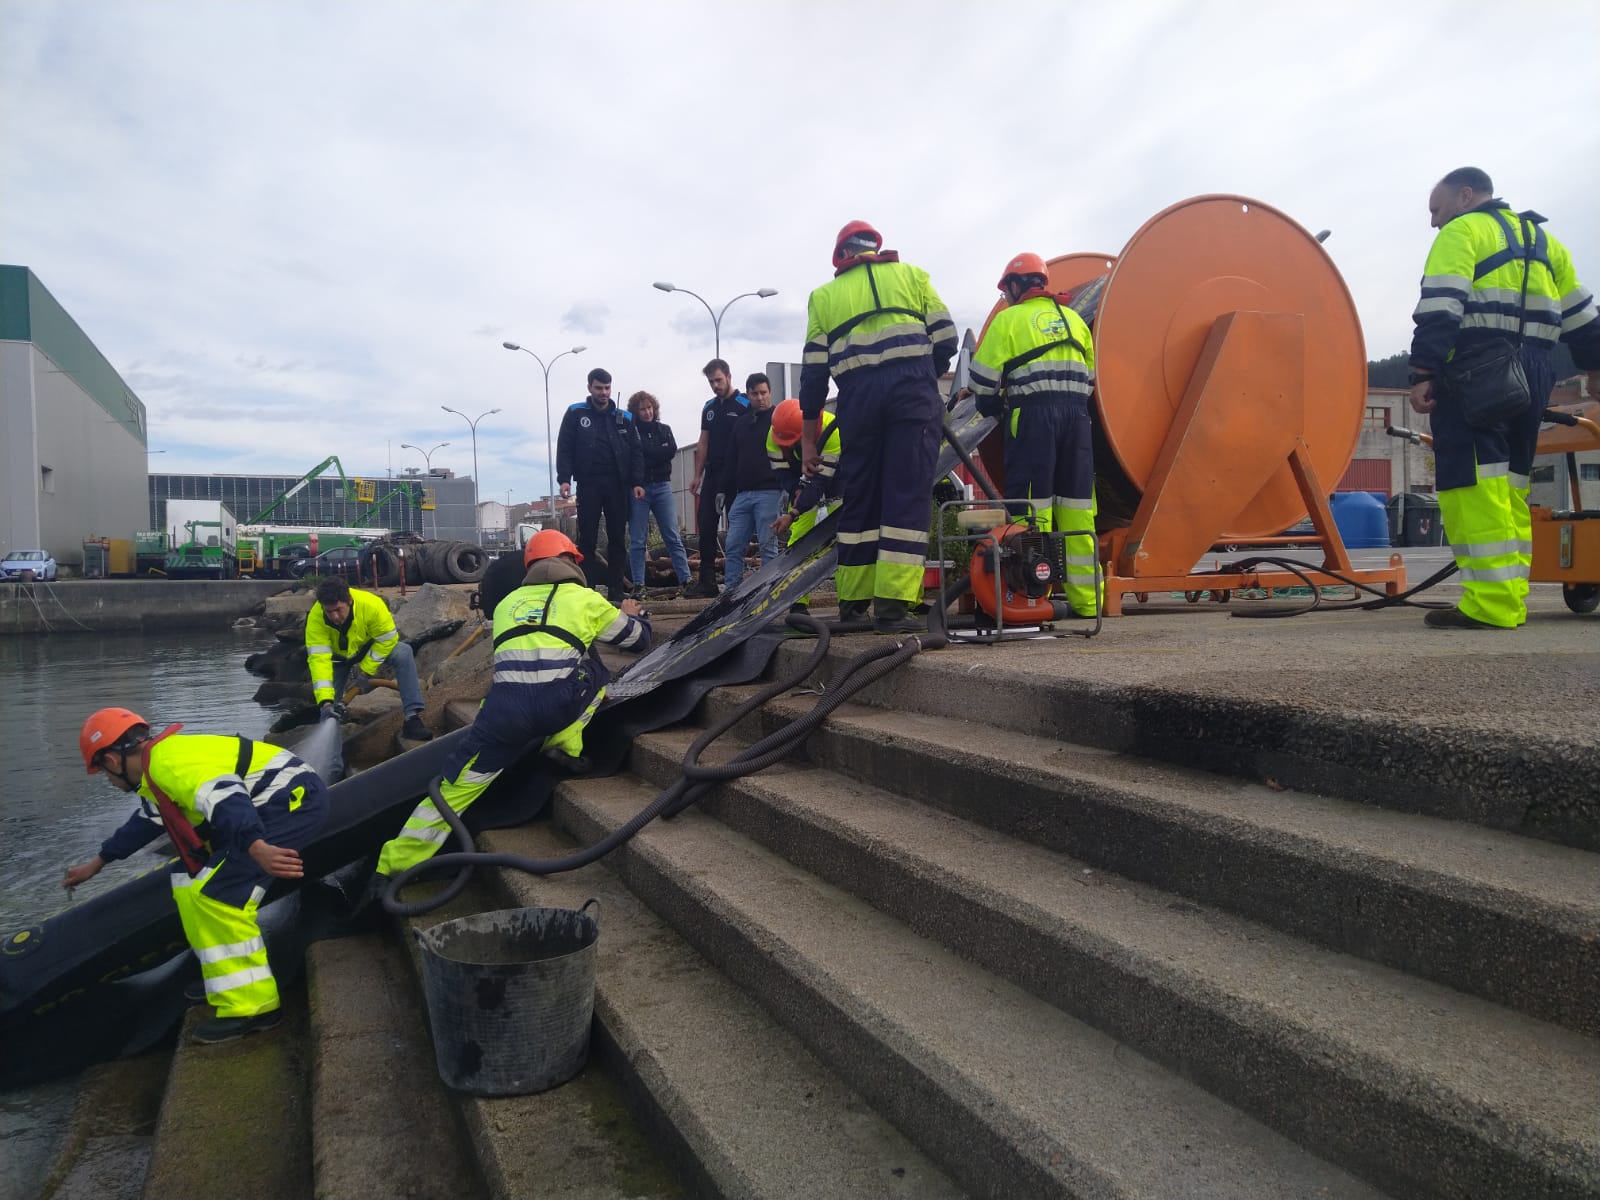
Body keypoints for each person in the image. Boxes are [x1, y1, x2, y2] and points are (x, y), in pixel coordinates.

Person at [373, 530, 650, 880]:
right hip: (558, 705)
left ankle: (394, 865)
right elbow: (638, 641)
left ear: (530, 565)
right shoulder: (585, 600)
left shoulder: (508, 604)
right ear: (571, 561)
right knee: (595, 671)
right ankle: (565, 745)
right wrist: (632, 614)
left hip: (503, 713)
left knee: (453, 788)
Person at [1407, 167, 1600, 630]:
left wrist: (1423, 371)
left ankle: (1491, 604)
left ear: (1465, 196)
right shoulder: (1544, 241)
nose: (1434, 222)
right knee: (1512, 485)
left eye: (1437, 209)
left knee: (1473, 484)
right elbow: (1582, 315)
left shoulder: (1464, 231)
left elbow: (1441, 305)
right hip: (1534, 371)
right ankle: (1509, 597)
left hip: (1477, 369)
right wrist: (1594, 369)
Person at [65, 708, 329, 1043]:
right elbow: (148, 821)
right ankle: (225, 980)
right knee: (186, 882)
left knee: (219, 895)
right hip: (262, 808)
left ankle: (254, 1008)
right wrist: (99, 862)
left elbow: (227, 794)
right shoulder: (155, 769)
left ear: (113, 761)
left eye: (103, 771)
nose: (109, 780)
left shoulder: (168, 764)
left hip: (289, 802)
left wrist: (256, 846)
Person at [800, 220, 957, 632]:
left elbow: (814, 376)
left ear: (842, 256)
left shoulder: (824, 297)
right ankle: (893, 608)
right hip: (912, 395)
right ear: (875, 248)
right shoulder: (913, 276)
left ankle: (853, 606)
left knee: (862, 497)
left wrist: (809, 440)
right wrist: (928, 374)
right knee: (905, 497)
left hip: (858, 401)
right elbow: (946, 338)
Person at [970, 252, 1100, 617]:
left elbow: (982, 381)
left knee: (1029, 509)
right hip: (1077, 420)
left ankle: (1031, 595)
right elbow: (1090, 381)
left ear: (1014, 287)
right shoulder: (1074, 320)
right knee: (1077, 511)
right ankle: (1089, 603)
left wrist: (992, 405)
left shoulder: (1008, 320)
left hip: (1032, 418)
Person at [306, 576, 432, 781]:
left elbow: (388, 639)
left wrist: (366, 672)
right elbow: (319, 660)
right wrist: (326, 701)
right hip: (337, 660)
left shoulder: (372, 605)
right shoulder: (316, 617)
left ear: (349, 601)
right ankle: (332, 769)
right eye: (329, 612)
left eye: (338, 609)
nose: (334, 616)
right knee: (328, 713)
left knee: (403, 652)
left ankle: (412, 720)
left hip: (366, 650)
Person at [557, 367, 645, 598]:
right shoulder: (576, 413)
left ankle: (616, 589)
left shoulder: (624, 417)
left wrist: (637, 481)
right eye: (599, 388)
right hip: (588, 483)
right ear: (590, 388)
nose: (604, 392)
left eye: (607, 388)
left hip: (618, 485)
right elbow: (564, 447)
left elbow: (636, 451)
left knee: (617, 538)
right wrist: (564, 478)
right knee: (587, 539)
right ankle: (586, 588)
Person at [769, 396, 843, 614]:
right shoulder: (775, 434)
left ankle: (850, 603)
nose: (789, 446)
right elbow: (781, 472)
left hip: (837, 478)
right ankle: (796, 602)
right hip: (799, 479)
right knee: (800, 537)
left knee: (843, 536)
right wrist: (796, 490)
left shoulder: (832, 431)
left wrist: (793, 512)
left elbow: (821, 482)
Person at [684, 359, 749, 598]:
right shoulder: (709, 407)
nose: (715, 385)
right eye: (711, 381)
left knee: (737, 529)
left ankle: (736, 582)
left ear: (729, 377)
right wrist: (697, 475)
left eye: (718, 380)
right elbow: (704, 442)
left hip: (736, 475)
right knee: (707, 525)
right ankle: (707, 581)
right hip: (712, 474)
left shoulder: (744, 404)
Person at [625, 390, 692, 599]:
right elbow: (636, 457)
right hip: (639, 488)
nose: (647, 412)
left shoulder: (665, 430)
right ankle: (639, 585)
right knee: (637, 540)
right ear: (636, 412)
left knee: (672, 536)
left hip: (662, 486)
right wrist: (653, 454)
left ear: (654, 408)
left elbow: (670, 451)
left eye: (649, 408)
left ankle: (686, 580)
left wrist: (645, 454)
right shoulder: (630, 432)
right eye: (642, 409)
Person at [720, 373, 783, 589]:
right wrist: (721, 489)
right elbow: (731, 458)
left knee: (768, 546)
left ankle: (768, 594)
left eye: (764, 393)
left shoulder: (780, 419)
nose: (760, 397)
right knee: (733, 545)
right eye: (755, 393)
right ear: (748, 395)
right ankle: (731, 596)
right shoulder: (741, 424)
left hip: (770, 491)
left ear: (770, 393)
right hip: (743, 494)